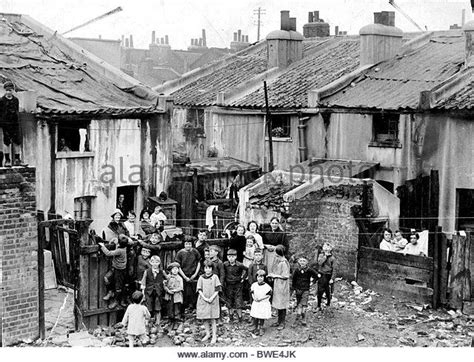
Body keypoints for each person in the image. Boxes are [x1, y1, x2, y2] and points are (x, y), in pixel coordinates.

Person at [99, 235, 128, 309]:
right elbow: (117, 243)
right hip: (114, 268)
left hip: (120, 271)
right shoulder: (123, 247)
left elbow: (108, 253)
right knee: (106, 278)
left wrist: (102, 246)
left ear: (119, 244)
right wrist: (113, 240)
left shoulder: (120, 250)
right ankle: (110, 292)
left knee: (118, 287)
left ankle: (116, 301)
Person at [196, 260, 221, 344]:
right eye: (206, 268)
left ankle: (214, 335)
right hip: (203, 300)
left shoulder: (215, 277)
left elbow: (218, 289)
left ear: (212, 269)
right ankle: (207, 334)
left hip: (213, 300)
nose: (208, 270)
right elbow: (199, 289)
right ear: (204, 269)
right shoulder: (201, 277)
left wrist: (212, 297)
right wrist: (205, 298)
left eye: (209, 268)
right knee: (205, 318)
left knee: (213, 318)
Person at [175, 237, 201, 311]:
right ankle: (184, 308)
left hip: (193, 275)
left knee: (194, 292)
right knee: (185, 292)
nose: (188, 246)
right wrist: (184, 277)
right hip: (183, 275)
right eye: (186, 244)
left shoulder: (195, 251)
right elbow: (178, 266)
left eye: (189, 244)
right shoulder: (180, 253)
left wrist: (195, 274)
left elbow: (199, 262)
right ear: (184, 244)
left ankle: (193, 307)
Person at [268, 245, 290, 330]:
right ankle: (279, 320)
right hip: (278, 285)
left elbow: (285, 276)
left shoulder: (284, 263)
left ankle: (282, 322)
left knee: (282, 304)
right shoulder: (279, 261)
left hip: (283, 285)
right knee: (278, 304)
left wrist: (274, 275)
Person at [291, 256, 318, 326]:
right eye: (301, 261)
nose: (302, 262)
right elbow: (293, 280)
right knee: (299, 304)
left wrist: (313, 282)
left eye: (304, 261)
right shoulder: (297, 270)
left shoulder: (309, 270)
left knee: (303, 305)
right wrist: (294, 288)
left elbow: (317, 275)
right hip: (298, 289)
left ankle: (302, 318)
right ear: (298, 262)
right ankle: (299, 318)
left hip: (306, 289)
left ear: (307, 262)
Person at [223, 249, 248, 322]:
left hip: (238, 285)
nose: (231, 258)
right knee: (229, 300)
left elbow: (247, 269)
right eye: (229, 256)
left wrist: (243, 278)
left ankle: (240, 317)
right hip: (228, 285)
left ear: (236, 257)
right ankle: (231, 317)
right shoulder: (225, 264)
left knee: (238, 300)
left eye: (233, 256)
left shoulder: (239, 264)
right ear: (227, 257)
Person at [0, 81, 21, 166]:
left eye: (10, 90)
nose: (9, 92)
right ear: (5, 90)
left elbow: (17, 111)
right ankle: (7, 160)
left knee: (17, 142)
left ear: (13, 90)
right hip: (6, 124)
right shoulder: (2, 100)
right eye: (7, 90)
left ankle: (17, 159)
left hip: (14, 123)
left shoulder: (16, 100)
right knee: (6, 142)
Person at [140, 255, 165, 326]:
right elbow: (143, 282)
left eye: (157, 262)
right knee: (149, 306)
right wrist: (143, 293)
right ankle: (147, 322)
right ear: (150, 262)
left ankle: (158, 322)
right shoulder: (147, 271)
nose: (155, 264)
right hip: (149, 291)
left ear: (159, 263)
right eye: (153, 262)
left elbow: (166, 279)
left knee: (158, 306)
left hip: (158, 292)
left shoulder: (161, 272)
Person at [249, 269, 272, 336]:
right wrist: (254, 298)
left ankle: (261, 327)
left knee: (261, 316)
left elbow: (268, 295)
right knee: (255, 315)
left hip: (263, 303)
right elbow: (252, 293)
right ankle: (255, 327)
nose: (260, 278)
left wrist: (261, 298)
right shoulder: (254, 285)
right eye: (258, 277)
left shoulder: (267, 287)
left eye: (262, 277)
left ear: (264, 278)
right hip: (256, 302)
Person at [316, 242, 336, 311]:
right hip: (321, 274)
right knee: (320, 290)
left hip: (328, 275)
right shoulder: (321, 256)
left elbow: (334, 269)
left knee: (328, 290)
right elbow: (319, 263)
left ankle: (328, 303)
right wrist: (325, 257)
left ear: (330, 250)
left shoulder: (332, 258)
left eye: (328, 250)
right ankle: (318, 305)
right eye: (325, 250)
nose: (327, 251)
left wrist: (332, 278)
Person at [164, 262, 184, 329]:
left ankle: (176, 321)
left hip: (177, 295)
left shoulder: (179, 278)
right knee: (170, 307)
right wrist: (168, 290)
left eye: (176, 269)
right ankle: (170, 321)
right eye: (173, 269)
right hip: (169, 295)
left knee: (176, 308)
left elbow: (181, 287)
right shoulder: (168, 277)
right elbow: (164, 285)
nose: (175, 270)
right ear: (170, 270)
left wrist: (174, 290)